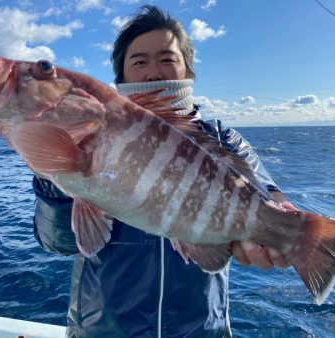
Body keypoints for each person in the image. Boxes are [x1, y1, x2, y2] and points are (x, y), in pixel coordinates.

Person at [32, 5, 296, 338]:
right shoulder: (88, 136)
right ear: (121, 77)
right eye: (139, 62)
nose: (153, 73)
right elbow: (57, 243)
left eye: (167, 59)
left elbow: (266, 195)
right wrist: (57, 172)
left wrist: (283, 228)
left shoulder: (223, 141)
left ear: (189, 71)